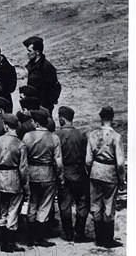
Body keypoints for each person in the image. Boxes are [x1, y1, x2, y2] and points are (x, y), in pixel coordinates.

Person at [22, 108, 64, 247]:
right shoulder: (54, 138)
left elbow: (23, 158)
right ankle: (40, 237)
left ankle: (29, 237)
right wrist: (60, 178)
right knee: (45, 205)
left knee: (32, 203)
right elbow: (58, 162)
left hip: (31, 174)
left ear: (35, 122)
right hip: (48, 174)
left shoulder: (27, 136)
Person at [86, 106, 125, 248]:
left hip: (96, 171)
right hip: (110, 172)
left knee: (95, 205)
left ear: (100, 117)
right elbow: (120, 163)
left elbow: (88, 160)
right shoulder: (116, 137)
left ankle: (99, 238)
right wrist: (122, 179)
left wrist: (91, 171)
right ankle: (108, 239)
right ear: (112, 117)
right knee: (109, 205)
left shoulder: (93, 134)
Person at [0, 113, 29, 252]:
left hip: (1, 176)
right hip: (15, 177)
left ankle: (2, 241)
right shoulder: (20, 144)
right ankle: (10, 242)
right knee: (14, 210)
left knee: (3, 210)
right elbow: (23, 168)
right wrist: (25, 185)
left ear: (6, 126)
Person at [55, 106, 91, 242]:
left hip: (64, 173)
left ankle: (69, 233)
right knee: (82, 202)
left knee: (64, 204)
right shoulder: (81, 135)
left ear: (62, 119)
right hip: (80, 172)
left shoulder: (57, 135)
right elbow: (85, 156)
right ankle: (80, 233)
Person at [23, 36, 61, 113]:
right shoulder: (32, 65)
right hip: (32, 103)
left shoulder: (47, 68)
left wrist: (46, 105)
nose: (27, 53)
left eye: (29, 51)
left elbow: (55, 88)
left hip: (43, 107)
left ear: (37, 52)